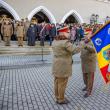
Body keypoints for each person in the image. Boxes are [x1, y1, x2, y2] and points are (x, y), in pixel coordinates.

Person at [52, 26, 80, 104]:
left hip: (56, 64)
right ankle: (61, 99)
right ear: (63, 33)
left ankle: (57, 97)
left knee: (57, 82)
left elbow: (66, 51)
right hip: (63, 65)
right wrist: (82, 44)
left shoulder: (55, 41)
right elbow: (75, 49)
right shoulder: (65, 42)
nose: (69, 34)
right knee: (62, 83)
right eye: (68, 32)